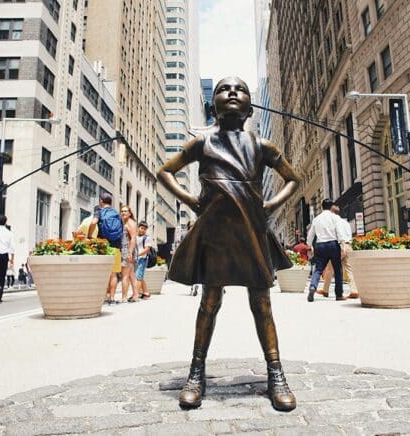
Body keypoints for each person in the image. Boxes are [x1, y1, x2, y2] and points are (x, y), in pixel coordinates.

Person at [157, 76, 300, 412]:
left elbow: (293, 180)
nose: (232, 92)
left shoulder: (263, 146)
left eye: (240, 89)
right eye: (224, 88)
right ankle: (196, 372)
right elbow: (165, 171)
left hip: (251, 228)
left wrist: (271, 205)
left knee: (261, 303)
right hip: (215, 233)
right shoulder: (201, 144)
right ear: (214, 107)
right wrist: (191, 201)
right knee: (209, 301)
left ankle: (275, 374)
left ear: (249, 107)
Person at [306, 199, 346, 302]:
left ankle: (313, 287)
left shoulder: (316, 219)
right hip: (333, 244)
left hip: (320, 245)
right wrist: (343, 245)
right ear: (331, 206)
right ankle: (339, 294)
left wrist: (309, 246)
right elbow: (339, 231)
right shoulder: (335, 217)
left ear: (322, 207)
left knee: (318, 269)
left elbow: (310, 235)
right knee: (337, 270)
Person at [88, 194, 124, 304]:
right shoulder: (116, 214)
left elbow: (94, 222)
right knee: (113, 274)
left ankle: (102, 297)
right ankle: (112, 298)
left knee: (103, 273)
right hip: (116, 246)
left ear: (101, 201)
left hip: (103, 245)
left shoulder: (99, 209)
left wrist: (89, 236)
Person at [319, 205, 359, 299]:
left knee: (330, 268)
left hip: (339, 246)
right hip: (348, 245)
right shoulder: (345, 223)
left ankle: (325, 290)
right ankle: (354, 290)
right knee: (349, 269)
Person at [118, 204, 139, 302]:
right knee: (131, 275)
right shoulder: (125, 222)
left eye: (125, 211)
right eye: (122, 211)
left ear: (130, 213)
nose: (123, 213)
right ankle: (136, 295)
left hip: (128, 250)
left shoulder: (130, 223)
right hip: (126, 249)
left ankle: (124, 297)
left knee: (125, 275)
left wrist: (130, 252)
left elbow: (133, 238)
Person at [134, 220, 152, 299]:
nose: (142, 230)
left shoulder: (147, 238)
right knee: (139, 276)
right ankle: (146, 293)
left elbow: (147, 249)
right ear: (138, 228)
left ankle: (136, 295)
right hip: (136, 259)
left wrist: (138, 254)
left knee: (138, 277)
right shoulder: (135, 236)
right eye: (141, 228)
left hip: (143, 259)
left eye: (144, 229)